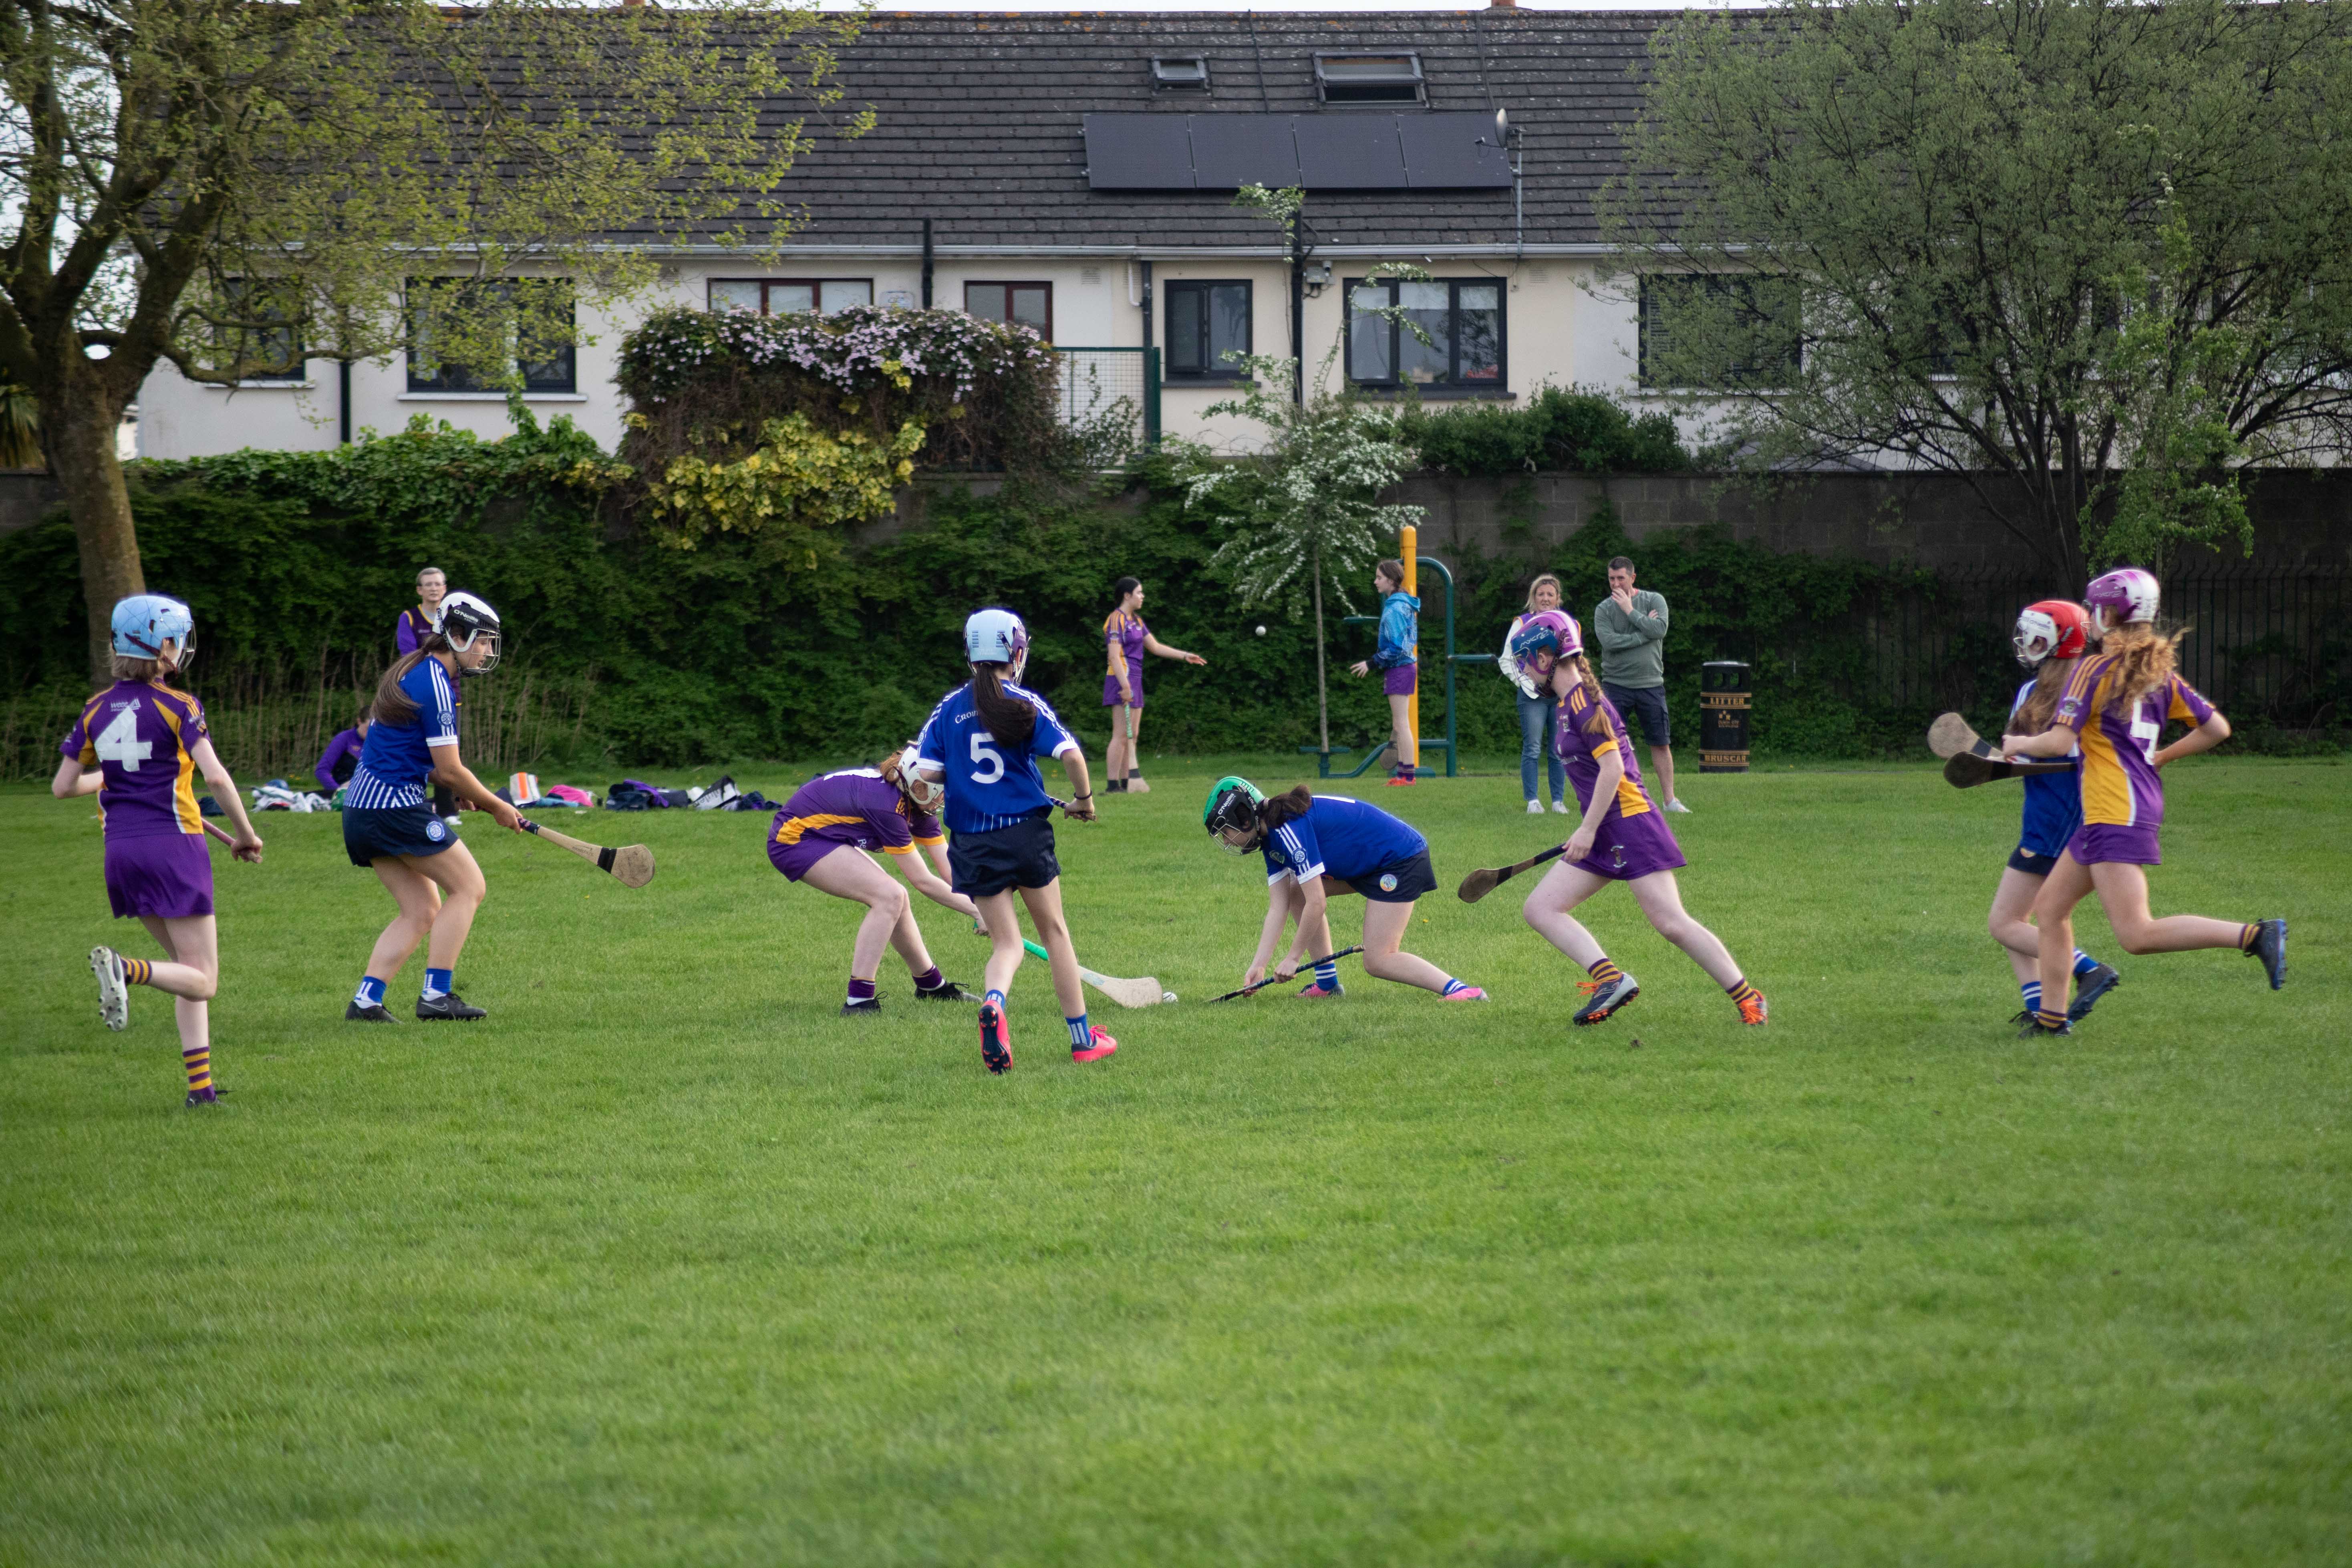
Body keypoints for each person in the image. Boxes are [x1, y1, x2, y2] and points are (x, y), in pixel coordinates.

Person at [2000, 568, 2286, 1037]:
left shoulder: (2092, 669)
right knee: (2050, 910)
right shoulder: (2158, 675)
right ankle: (2051, 1021)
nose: (2092, 617)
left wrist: (2015, 745)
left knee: (2136, 934)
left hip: (2114, 811)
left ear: (2108, 616)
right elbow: (2217, 729)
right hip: (2122, 807)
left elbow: (2057, 742)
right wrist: (2161, 757)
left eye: (2095, 609)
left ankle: (2254, 935)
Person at [1508, 610, 1766, 1026]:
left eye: (1525, 661)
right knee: (1541, 908)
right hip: (1604, 826)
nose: (1524, 670)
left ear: (1544, 657)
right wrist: (1591, 828)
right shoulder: (1567, 704)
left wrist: (1587, 829)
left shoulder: (1584, 703)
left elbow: (1612, 769)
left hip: (1631, 823)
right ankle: (1610, 980)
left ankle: (1750, 999)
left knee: (1671, 923)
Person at [56, 594, 266, 1107]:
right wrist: (245, 834)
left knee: (186, 971)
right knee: (205, 980)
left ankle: (201, 1090)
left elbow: (63, 787)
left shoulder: (95, 709)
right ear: (161, 646)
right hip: (173, 847)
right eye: (176, 639)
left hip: (121, 853)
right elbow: (217, 777)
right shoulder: (180, 705)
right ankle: (127, 970)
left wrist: (110, 775)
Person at [915, 608, 1116, 1073]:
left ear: (970, 656)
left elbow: (924, 772)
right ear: (1017, 654)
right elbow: (1071, 755)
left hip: (972, 842)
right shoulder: (1023, 702)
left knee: (1007, 944)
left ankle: (994, 1001)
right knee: (1055, 933)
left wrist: (956, 778)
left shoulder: (948, 708)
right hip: (1024, 835)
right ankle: (1083, 1041)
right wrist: (1083, 801)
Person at [342, 590, 522, 1023]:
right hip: (392, 808)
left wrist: (457, 787)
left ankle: (366, 1002)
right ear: (457, 635)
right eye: (483, 641)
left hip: (362, 810)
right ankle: (437, 996)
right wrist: (498, 805)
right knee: (470, 887)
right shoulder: (436, 683)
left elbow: (426, 763)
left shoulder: (417, 671)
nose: (487, 651)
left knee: (422, 910)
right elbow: (452, 769)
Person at [1203, 776, 1484, 1002]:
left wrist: (1293, 958)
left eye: (1226, 833)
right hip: (1369, 863)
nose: (1227, 842)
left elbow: (1317, 903)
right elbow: (1279, 906)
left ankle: (1462, 991)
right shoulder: (1271, 839)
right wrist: (1259, 965)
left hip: (1400, 861)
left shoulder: (1288, 830)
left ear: (1245, 819)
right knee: (1296, 891)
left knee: (1379, 959)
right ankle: (1327, 984)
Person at [767, 744, 984, 1015]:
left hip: (824, 835)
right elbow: (923, 880)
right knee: (889, 896)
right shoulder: (888, 805)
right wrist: (976, 911)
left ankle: (931, 985)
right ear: (917, 785)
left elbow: (950, 870)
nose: (943, 796)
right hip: (794, 839)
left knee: (896, 897)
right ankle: (858, 1001)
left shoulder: (917, 803)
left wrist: (985, 905)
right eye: (939, 788)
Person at [1987, 600, 2120, 1025]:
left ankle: (2088, 970)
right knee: (2017, 918)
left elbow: (2059, 750)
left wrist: (2012, 753)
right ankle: (2039, 1008)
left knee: (2005, 923)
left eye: (2034, 636)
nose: (2025, 643)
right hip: (2047, 808)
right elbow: (2019, 756)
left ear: (2057, 641)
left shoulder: (2080, 688)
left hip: (2060, 813)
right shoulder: (2035, 691)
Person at [1592, 555, 1686, 812]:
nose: (1616, 584)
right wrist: (1644, 634)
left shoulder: (1654, 600)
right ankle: (1613, 801)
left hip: (1650, 684)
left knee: (1660, 742)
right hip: (1615, 685)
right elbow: (1609, 642)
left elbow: (1660, 630)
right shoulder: (1603, 610)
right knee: (1611, 745)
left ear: (1633, 578)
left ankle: (1670, 801)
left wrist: (1630, 611)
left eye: (1621, 578)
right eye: (1612, 579)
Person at [1099, 576, 1206, 795]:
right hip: (1121, 678)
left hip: (1135, 678)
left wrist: (1185, 656)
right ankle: (1112, 786)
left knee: (1133, 735)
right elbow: (1114, 656)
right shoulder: (1116, 619)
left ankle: (1127, 783)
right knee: (1121, 734)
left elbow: (1155, 647)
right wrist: (1125, 686)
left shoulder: (1137, 621)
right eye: (1139, 592)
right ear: (1127, 596)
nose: (1143, 596)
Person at [1498, 573, 1571, 816]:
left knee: (1558, 750)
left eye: (1550, 594)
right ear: (1534, 597)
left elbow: (1574, 659)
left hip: (1559, 697)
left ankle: (1558, 801)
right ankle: (1533, 801)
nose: (1546, 598)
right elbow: (1506, 659)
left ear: (1558, 598)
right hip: (1532, 698)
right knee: (1532, 748)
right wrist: (1526, 684)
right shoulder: (1523, 623)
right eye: (1541, 594)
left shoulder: (1564, 623)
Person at [396, 566, 460, 828]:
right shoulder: (410, 618)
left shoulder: (454, 618)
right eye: (428, 584)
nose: (434, 588)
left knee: (448, 752)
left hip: (450, 693)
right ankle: (416, 806)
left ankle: (449, 810)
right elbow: (408, 655)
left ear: (445, 588)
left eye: (438, 584)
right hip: (418, 694)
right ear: (419, 590)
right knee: (417, 749)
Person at [1347, 559, 1419, 788]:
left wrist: (1372, 663)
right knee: (1399, 725)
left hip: (1400, 668)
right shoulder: (1400, 603)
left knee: (1401, 724)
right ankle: (1403, 775)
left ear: (1391, 580)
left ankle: (1408, 777)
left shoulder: (1395, 608)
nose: (1375, 582)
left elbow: (1397, 647)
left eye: (1379, 578)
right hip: (1402, 668)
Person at [314, 709, 371, 794]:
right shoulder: (344, 739)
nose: (371, 734)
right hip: (344, 792)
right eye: (368, 729)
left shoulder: (378, 744)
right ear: (359, 722)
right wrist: (339, 792)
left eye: (375, 730)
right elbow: (321, 771)